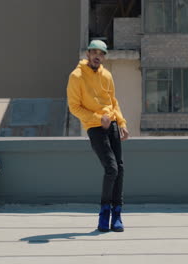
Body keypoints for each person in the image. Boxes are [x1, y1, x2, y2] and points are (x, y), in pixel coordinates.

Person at [67, 40, 129, 232]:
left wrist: (122, 123)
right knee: (111, 168)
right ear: (87, 54)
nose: (97, 56)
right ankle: (104, 214)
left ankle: (117, 215)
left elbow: (113, 101)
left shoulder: (107, 75)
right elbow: (74, 107)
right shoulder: (76, 76)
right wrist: (96, 118)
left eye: (101, 53)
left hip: (112, 124)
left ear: (104, 56)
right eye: (93, 52)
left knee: (119, 168)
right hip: (94, 127)